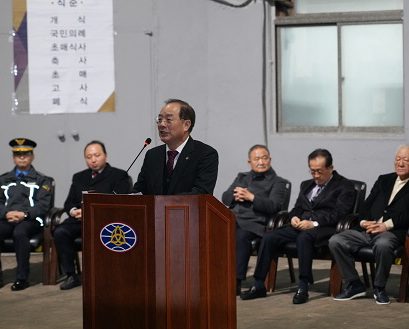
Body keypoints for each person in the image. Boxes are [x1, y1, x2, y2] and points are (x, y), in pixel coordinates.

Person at [240, 149, 355, 304]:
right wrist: (293, 217)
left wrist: (313, 223)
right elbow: (297, 208)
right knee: (269, 237)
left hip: (324, 228)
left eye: (320, 172)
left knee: (304, 237)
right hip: (300, 224)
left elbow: (340, 213)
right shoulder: (306, 185)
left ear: (330, 168)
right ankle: (259, 284)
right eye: (312, 171)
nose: (316, 176)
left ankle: (303, 286)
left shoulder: (344, 186)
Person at [329, 144, 409, 305]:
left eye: (406, 160)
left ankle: (379, 287)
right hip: (368, 230)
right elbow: (366, 205)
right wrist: (364, 222)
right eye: (398, 159)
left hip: (393, 232)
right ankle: (354, 284)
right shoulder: (384, 179)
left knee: (383, 245)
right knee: (336, 241)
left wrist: (386, 225)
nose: (400, 163)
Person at [54, 140, 130, 290]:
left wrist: (91, 211)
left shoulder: (119, 175)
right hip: (80, 221)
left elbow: (123, 202)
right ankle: (71, 275)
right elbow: (69, 203)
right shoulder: (79, 177)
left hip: (105, 221)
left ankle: (107, 276)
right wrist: (72, 211)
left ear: (105, 156)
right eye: (89, 157)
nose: (93, 160)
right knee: (60, 232)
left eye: (97, 155)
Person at [0, 138, 53, 291]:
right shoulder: (3, 179)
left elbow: (44, 204)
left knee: (20, 232)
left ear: (32, 156)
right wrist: (6, 213)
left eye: (26, 154)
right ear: (13, 157)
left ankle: (22, 278)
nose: (22, 157)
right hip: (8, 218)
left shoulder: (42, 180)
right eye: (18, 154)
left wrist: (25, 214)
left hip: (31, 221)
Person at [221, 144, 287, 295]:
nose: (261, 162)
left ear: (270, 160)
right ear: (249, 162)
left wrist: (252, 197)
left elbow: (274, 206)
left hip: (255, 223)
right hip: (233, 219)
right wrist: (234, 195)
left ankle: (235, 282)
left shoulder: (278, 182)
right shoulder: (242, 177)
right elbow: (225, 198)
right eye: (256, 159)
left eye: (264, 158)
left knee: (241, 236)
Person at [132, 99, 218, 195]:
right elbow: (139, 191)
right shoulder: (152, 155)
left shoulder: (205, 154)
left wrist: (164, 203)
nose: (161, 124)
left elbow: (201, 193)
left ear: (186, 125)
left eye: (168, 120)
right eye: (159, 119)